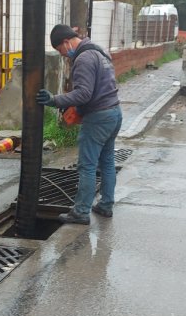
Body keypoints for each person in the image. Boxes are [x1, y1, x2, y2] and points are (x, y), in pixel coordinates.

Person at [36, 24, 123, 225]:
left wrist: (54, 100)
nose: (64, 55)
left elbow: (84, 93)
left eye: (61, 51)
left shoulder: (83, 58)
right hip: (114, 113)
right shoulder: (99, 51)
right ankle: (105, 205)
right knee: (107, 162)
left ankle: (81, 212)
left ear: (66, 42)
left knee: (87, 165)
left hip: (99, 118)